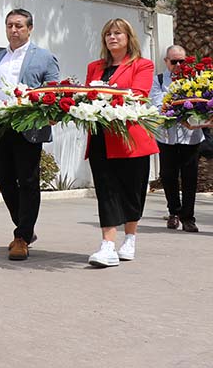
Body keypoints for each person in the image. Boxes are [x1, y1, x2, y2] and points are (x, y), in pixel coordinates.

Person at [0, 9, 59, 260]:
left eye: (19, 25)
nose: (14, 30)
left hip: (28, 127)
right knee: (4, 180)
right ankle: (25, 227)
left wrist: (52, 114)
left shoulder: (44, 57)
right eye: (10, 25)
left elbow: (54, 91)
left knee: (28, 181)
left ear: (30, 29)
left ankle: (21, 237)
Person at [85, 18, 158, 267]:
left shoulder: (142, 65)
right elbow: (86, 96)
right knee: (106, 191)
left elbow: (138, 94)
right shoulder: (94, 67)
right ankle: (107, 246)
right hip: (100, 137)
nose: (112, 37)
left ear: (128, 38)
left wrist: (104, 94)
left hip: (130, 139)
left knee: (132, 191)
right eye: (108, 34)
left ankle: (130, 239)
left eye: (118, 33)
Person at [150, 45, 206, 232]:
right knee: (168, 176)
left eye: (182, 61)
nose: (178, 65)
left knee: (190, 177)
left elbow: (202, 104)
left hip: (191, 136)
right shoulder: (158, 80)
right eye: (174, 61)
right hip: (167, 137)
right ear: (166, 61)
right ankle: (174, 212)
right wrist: (179, 108)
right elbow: (157, 105)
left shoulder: (197, 79)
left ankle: (188, 217)